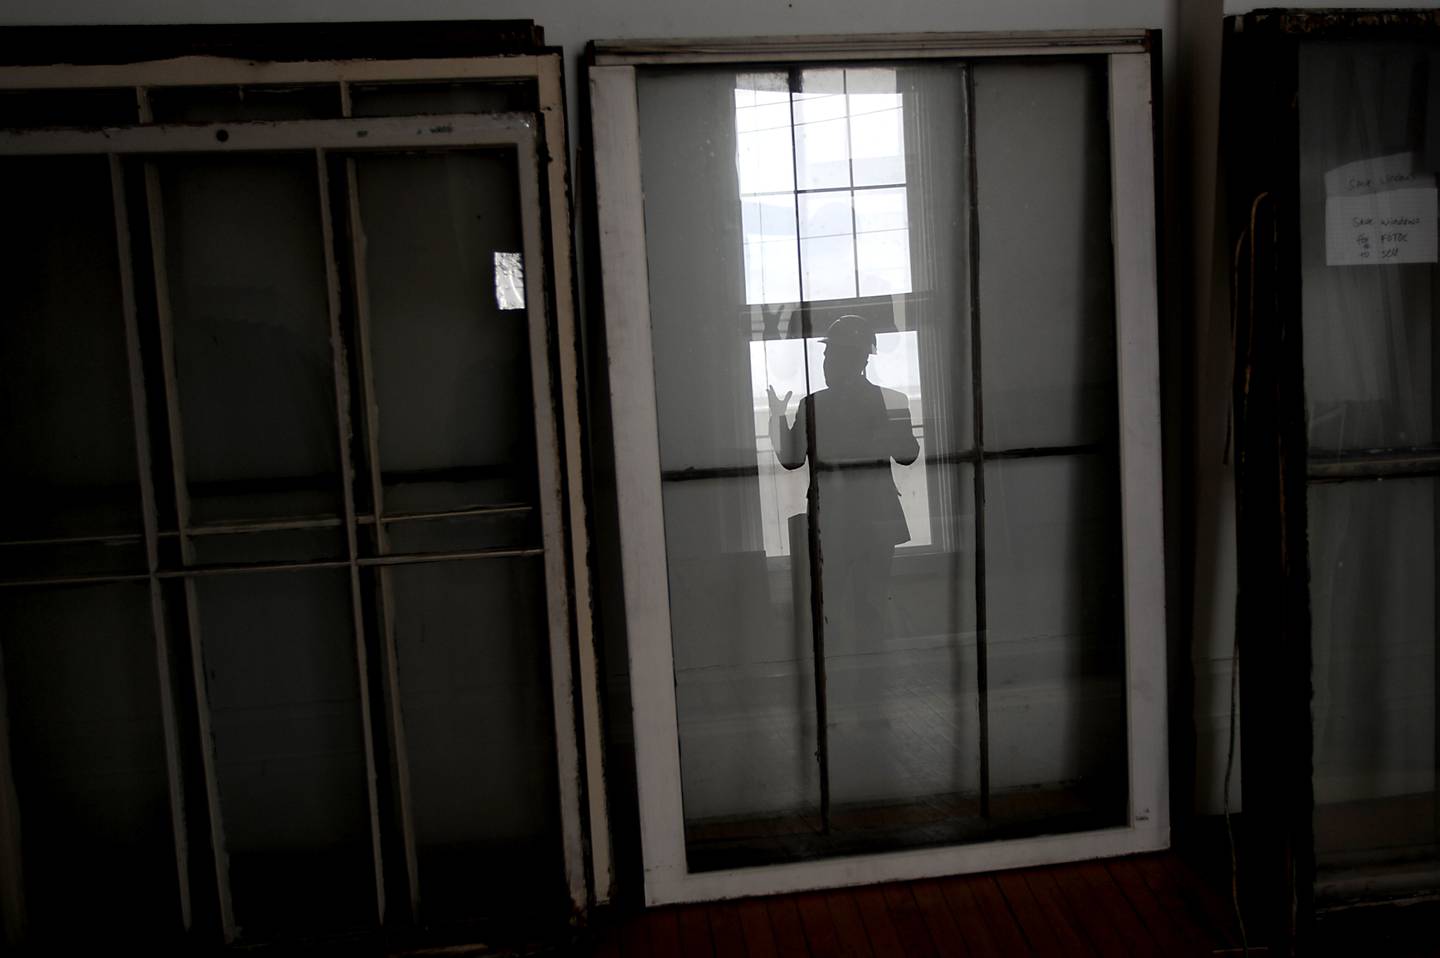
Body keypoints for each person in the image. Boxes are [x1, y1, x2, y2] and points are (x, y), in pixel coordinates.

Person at [767, 314, 919, 652]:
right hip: (869, 519)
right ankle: (868, 668)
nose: (826, 362)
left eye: (832, 355)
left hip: (835, 519)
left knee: (833, 604)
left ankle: (846, 671)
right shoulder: (890, 401)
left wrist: (778, 417)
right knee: (868, 603)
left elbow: (791, 459)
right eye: (826, 355)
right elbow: (907, 454)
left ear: (857, 360)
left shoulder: (813, 406)